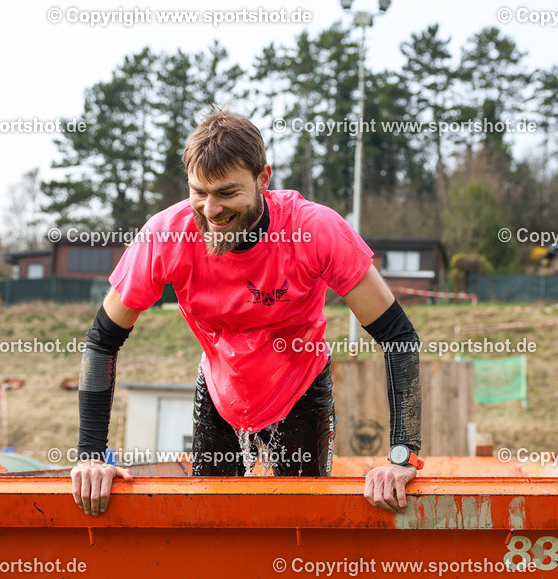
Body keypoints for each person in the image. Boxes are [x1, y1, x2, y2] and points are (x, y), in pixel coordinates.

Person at [71, 106, 423, 517]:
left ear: (263, 179)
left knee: (303, 525)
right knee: (213, 525)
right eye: (199, 192)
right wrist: (91, 456)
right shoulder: (166, 236)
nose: (211, 211)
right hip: (221, 392)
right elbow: (102, 340)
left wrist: (402, 455)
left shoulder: (315, 230)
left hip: (301, 388)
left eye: (227, 193)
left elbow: (398, 337)